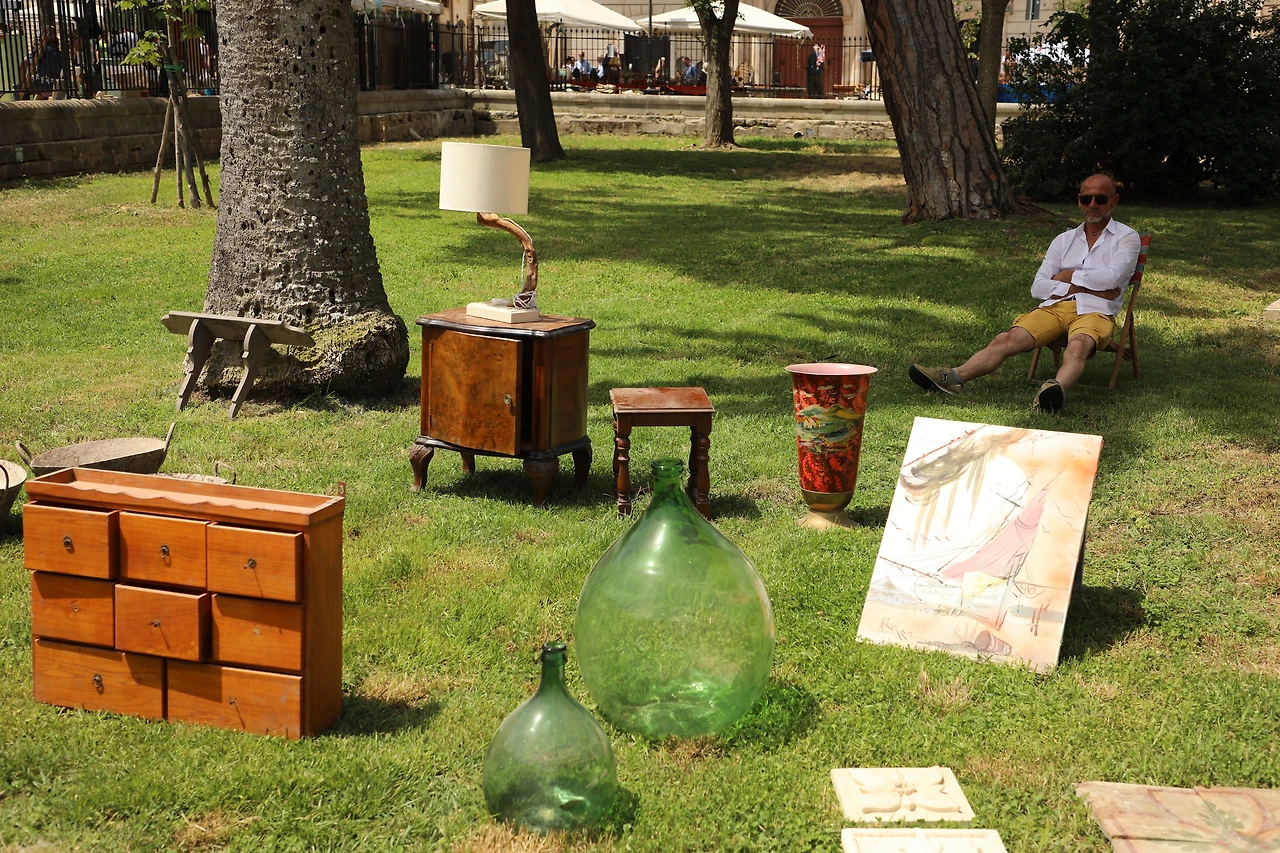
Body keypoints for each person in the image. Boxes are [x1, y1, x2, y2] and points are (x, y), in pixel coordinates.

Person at [908, 174, 1141, 413]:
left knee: (1078, 346)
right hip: (1054, 308)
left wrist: (1066, 275)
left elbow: (1112, 278)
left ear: (1114, 201)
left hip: (1095, 311)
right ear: (1079, 201)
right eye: (1086, 198)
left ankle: (1053, 390)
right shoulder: (1063, 240)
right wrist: (1081, 286)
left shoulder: (1127, 238)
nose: (1092, 204)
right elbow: (1038, 287)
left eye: (1100, 199)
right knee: (1005, 339)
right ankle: (952, 378)